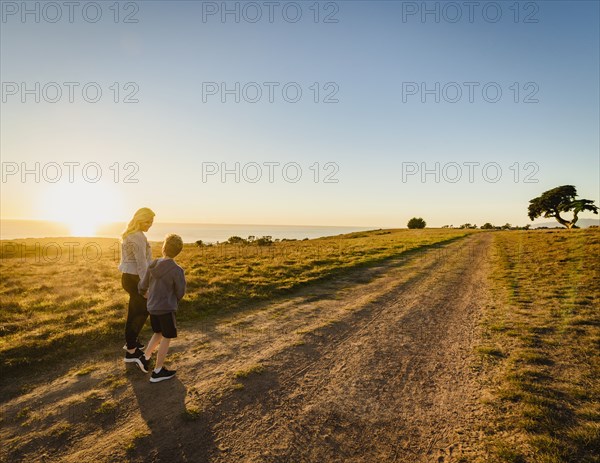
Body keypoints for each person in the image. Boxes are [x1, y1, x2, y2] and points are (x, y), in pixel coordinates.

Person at [138, 234, 186, 382]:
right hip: (166, 308)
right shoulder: (177, 270)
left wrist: (146, 295)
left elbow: (142, 285)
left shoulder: (152, 264)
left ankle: (145, 357)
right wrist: (173, 300)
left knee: (158, 332)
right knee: (167, 337)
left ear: (164, 247)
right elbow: (180, 292)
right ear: (178, 251)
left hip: (152, 307)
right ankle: (158, 371)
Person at [119, 207, 155, 371]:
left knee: (138, 311)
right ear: (140, 220)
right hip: (135, 279)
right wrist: (145, 286)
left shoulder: (132, 234)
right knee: (137, 313)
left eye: (152, 222)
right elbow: (141, 265)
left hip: (129, 277)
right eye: (147, 221)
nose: (150, 225)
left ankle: (132, 343)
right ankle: (131, 351)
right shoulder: (137, 237)